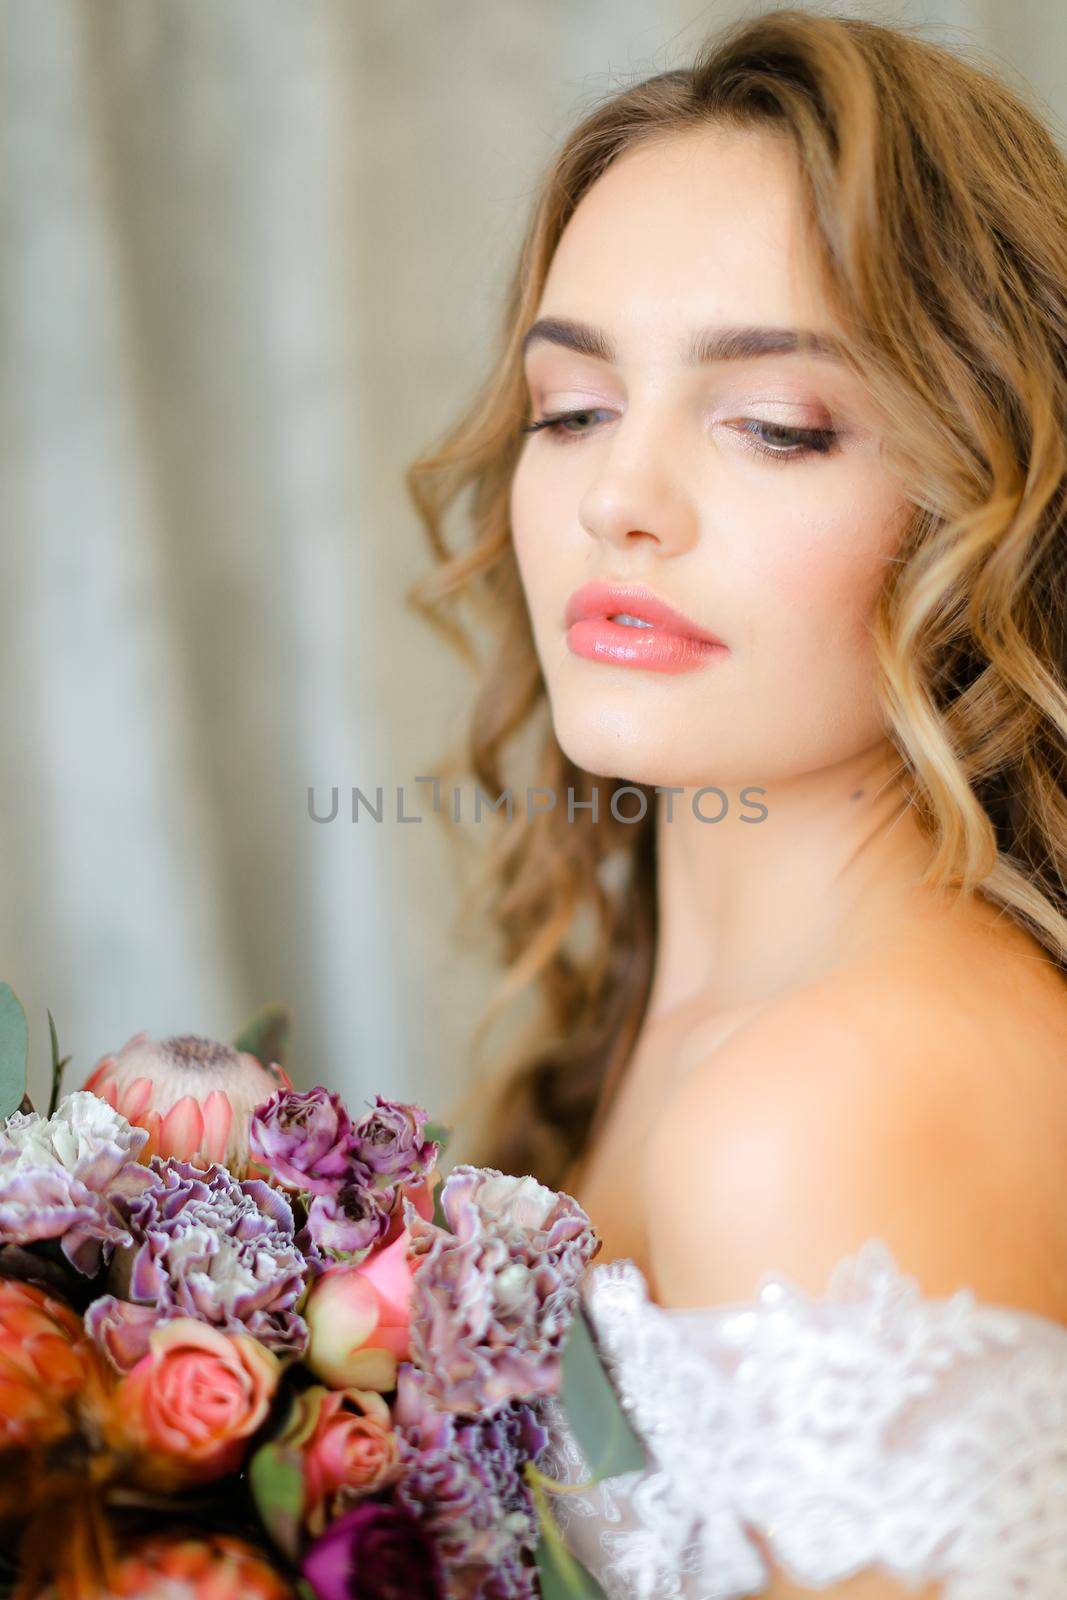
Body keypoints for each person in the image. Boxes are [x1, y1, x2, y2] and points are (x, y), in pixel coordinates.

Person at [405, 8, 1067, 1594]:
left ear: (989, 493)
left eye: (772, 424)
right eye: (570, 409)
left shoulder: (840, 1096)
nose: (617, 499)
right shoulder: (651, 1014)